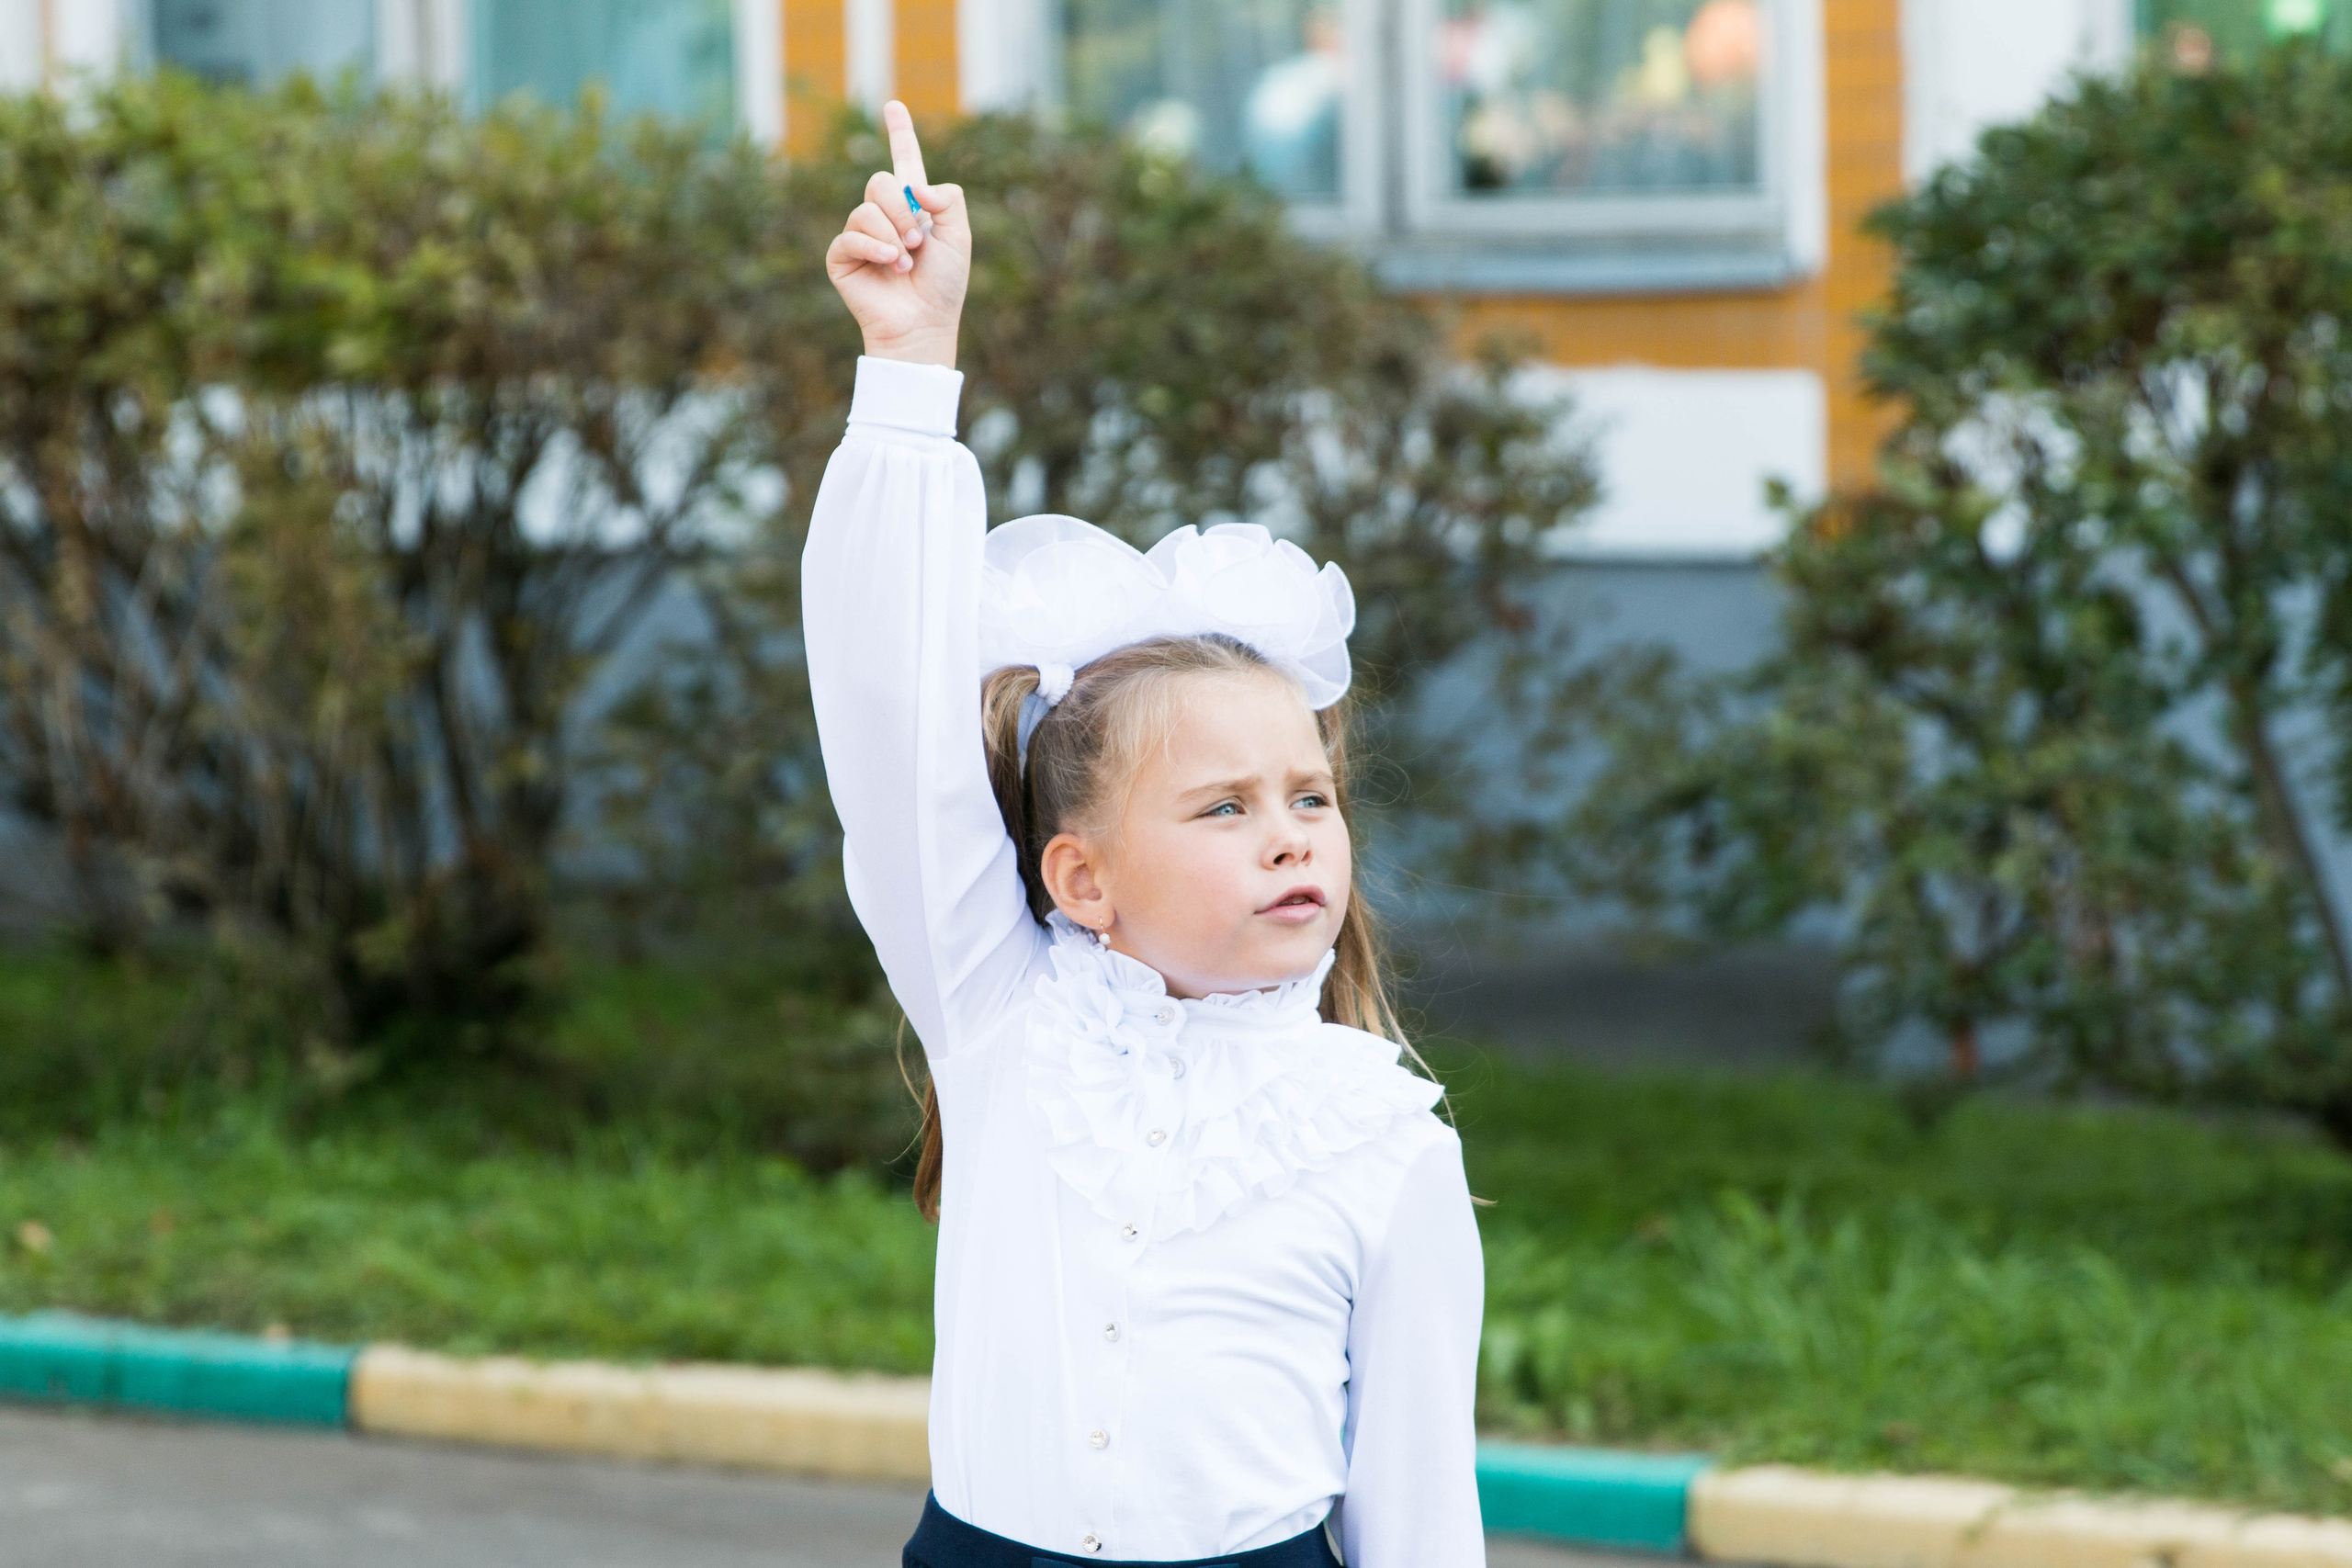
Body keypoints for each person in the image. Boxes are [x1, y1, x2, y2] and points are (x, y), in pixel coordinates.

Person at [805, 101, 1487, 1568]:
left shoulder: (1384, 1141)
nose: (1292, 835)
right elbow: (884, 724)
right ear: (1082, 878)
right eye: (1225, 807)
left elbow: (1421, 1506)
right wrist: (908, 372)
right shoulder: (1003, 1015)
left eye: (1310, 798)